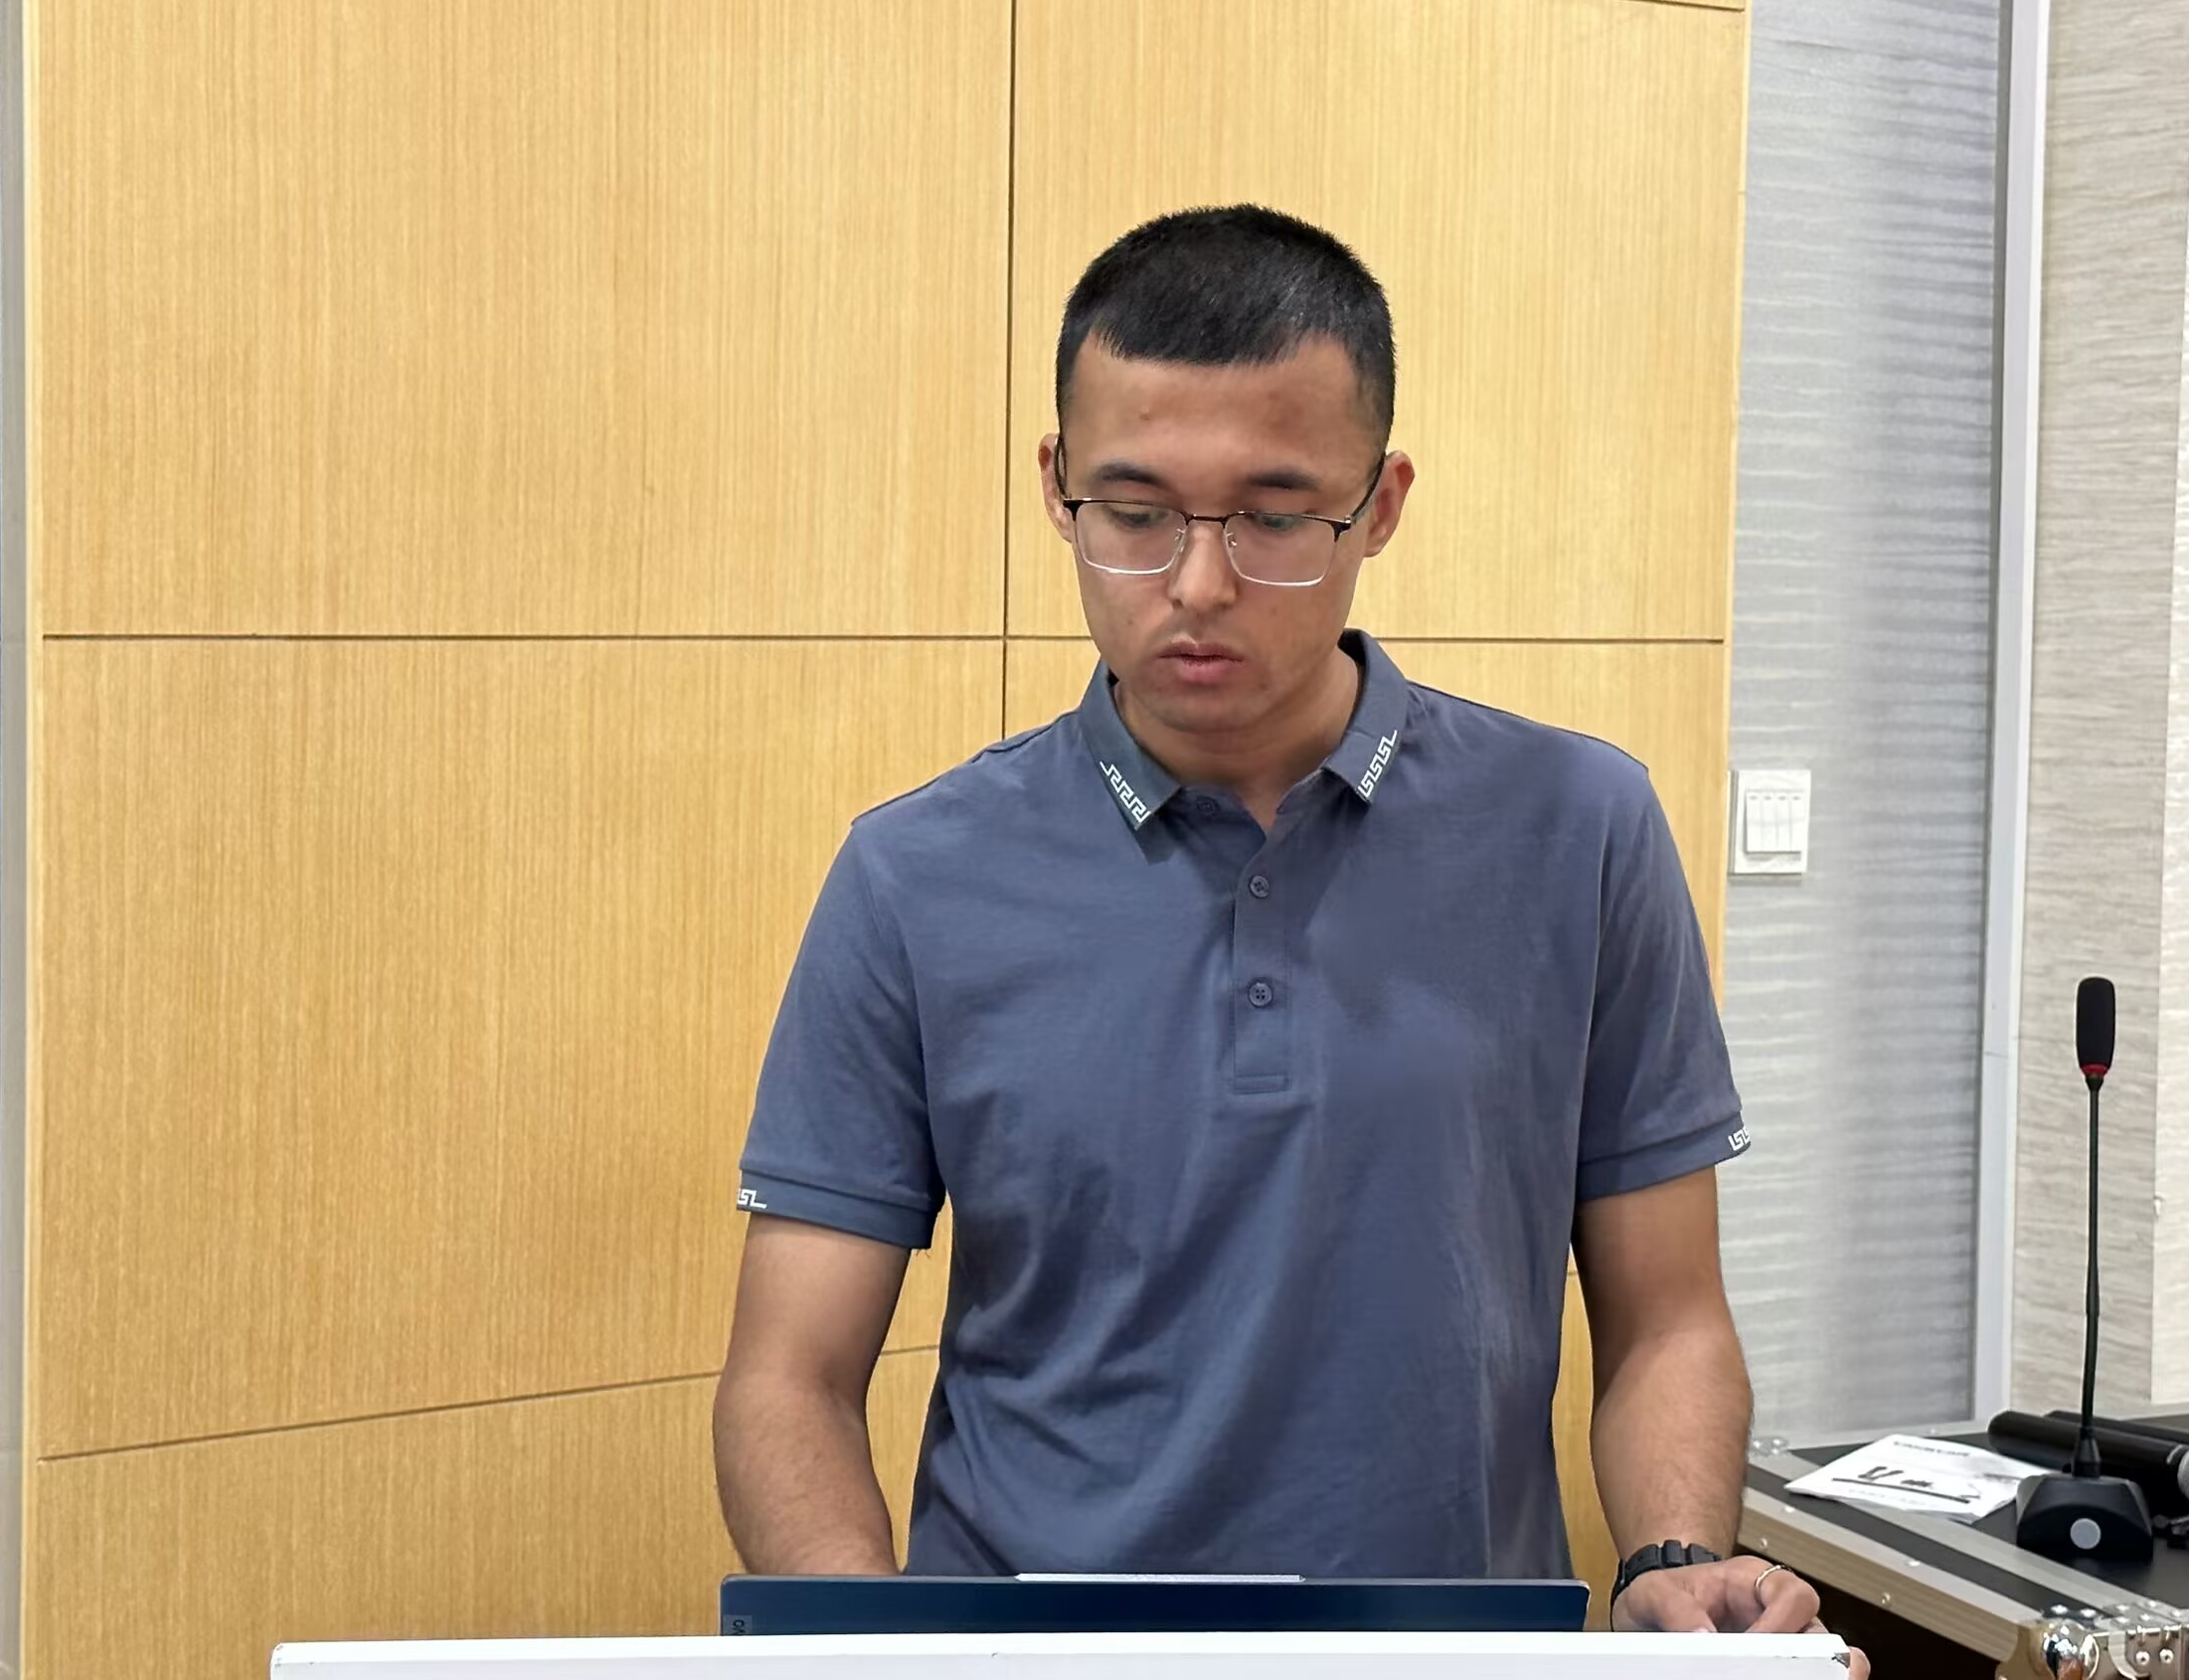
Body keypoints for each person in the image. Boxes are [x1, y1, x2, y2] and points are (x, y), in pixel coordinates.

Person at [713, 205, 1865, 1671]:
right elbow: (790, 1378)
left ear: (1379, 505)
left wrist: (1674, 1563)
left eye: (1272, 518)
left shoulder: (1578, 828)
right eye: (1136, 512)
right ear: (1057, 489)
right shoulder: (915, 875)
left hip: (1451, 1657)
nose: (1197, 584)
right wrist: (871, 1642)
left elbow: (1669, 1322)